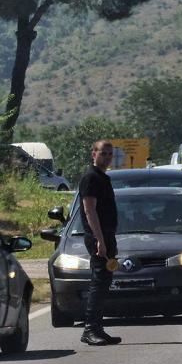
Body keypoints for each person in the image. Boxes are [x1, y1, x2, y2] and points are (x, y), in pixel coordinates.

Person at [77, 140, 122, 346]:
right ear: (93, 154)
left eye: (110, 154)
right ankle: (90, 329)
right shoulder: (91, 178)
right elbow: (90, 210)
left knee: (104, 283)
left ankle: (98, 328)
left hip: (107, 235)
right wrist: (99, 240)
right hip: (98, 236)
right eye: (103, 153)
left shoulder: (103, 178)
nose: (107, 157)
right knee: (98, 282)